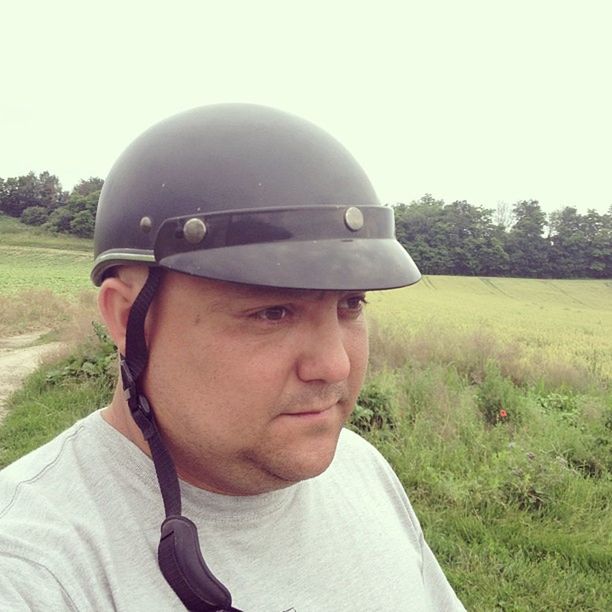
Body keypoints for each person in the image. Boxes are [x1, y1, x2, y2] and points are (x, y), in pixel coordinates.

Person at [0, 104, 465, 611]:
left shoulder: (363, 470)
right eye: (272, 312)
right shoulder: (33, 570)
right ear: (128, 318)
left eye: (350, 304)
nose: (335, 367)